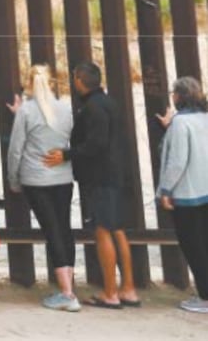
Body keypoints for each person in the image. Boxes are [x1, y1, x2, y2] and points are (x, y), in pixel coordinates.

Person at [43, 62, 140, 309]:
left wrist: (66, 155)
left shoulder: (92, 108)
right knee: (118, 230)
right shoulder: (110, 103)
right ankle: (128, 288)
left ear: (79, 81)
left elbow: (96, 144)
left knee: (102, 230)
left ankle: (110, 292)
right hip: (116, 175)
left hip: (100, 178)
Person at [6, 63, 79, 312]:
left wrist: (14, 180)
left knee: (52, 231)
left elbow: (16, 149)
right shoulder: (65, 108)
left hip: (36, 179)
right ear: (52, 82)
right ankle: (68, 283)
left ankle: (67, 293)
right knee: (64, 227)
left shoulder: (27, 111)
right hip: (62, 177)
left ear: (29, 83)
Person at [155, 77, 208, 314]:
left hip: (187, 194)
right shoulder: (203, 119)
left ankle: (206, 296)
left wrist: (166, 189)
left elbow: (177, 161)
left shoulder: (181, 123)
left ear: (178, 96)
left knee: (194, 247)